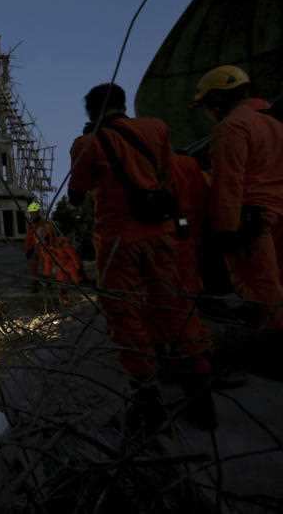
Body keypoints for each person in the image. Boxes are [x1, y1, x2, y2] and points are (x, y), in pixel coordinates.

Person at [69, 82, 215, 431]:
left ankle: (148, 399)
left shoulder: (88, 144)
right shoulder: (156, 129)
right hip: (161, 235)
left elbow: (76, 194)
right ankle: (200, 397)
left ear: (92, 112)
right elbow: (166, 175)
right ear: (122, 104)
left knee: (124, 312)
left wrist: (90, 144)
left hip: (119, 240)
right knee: (174, 304)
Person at [191, 65, 283, 331]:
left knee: (262, 290)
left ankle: (275, 349)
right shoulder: (275, 122)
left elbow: (228, 184)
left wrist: (225, 231)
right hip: (278, 213)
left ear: (217, 100)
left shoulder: (232, 127)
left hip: (256, 222)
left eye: (208, 105)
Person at [24, 202, 57, 293]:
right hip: (33, 249)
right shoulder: (31, 225)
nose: (32, 214)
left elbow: (48, 237)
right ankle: (35, 284)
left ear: (37, 212)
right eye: (31, 213)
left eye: (33, 212)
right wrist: (28, 249)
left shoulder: (44, 224)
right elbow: (29, 238)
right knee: (33, 267)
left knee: (45, 267)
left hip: (43, 249)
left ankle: (47, 284)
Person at [52, 236, 82, 304]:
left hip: (67, 266)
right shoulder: (57, 247)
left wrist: (78, 266)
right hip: (62, 266)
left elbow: (74, 257)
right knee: (62, 282)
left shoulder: (66, 247)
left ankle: (67, 297)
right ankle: (64, 299)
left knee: (68, 279)